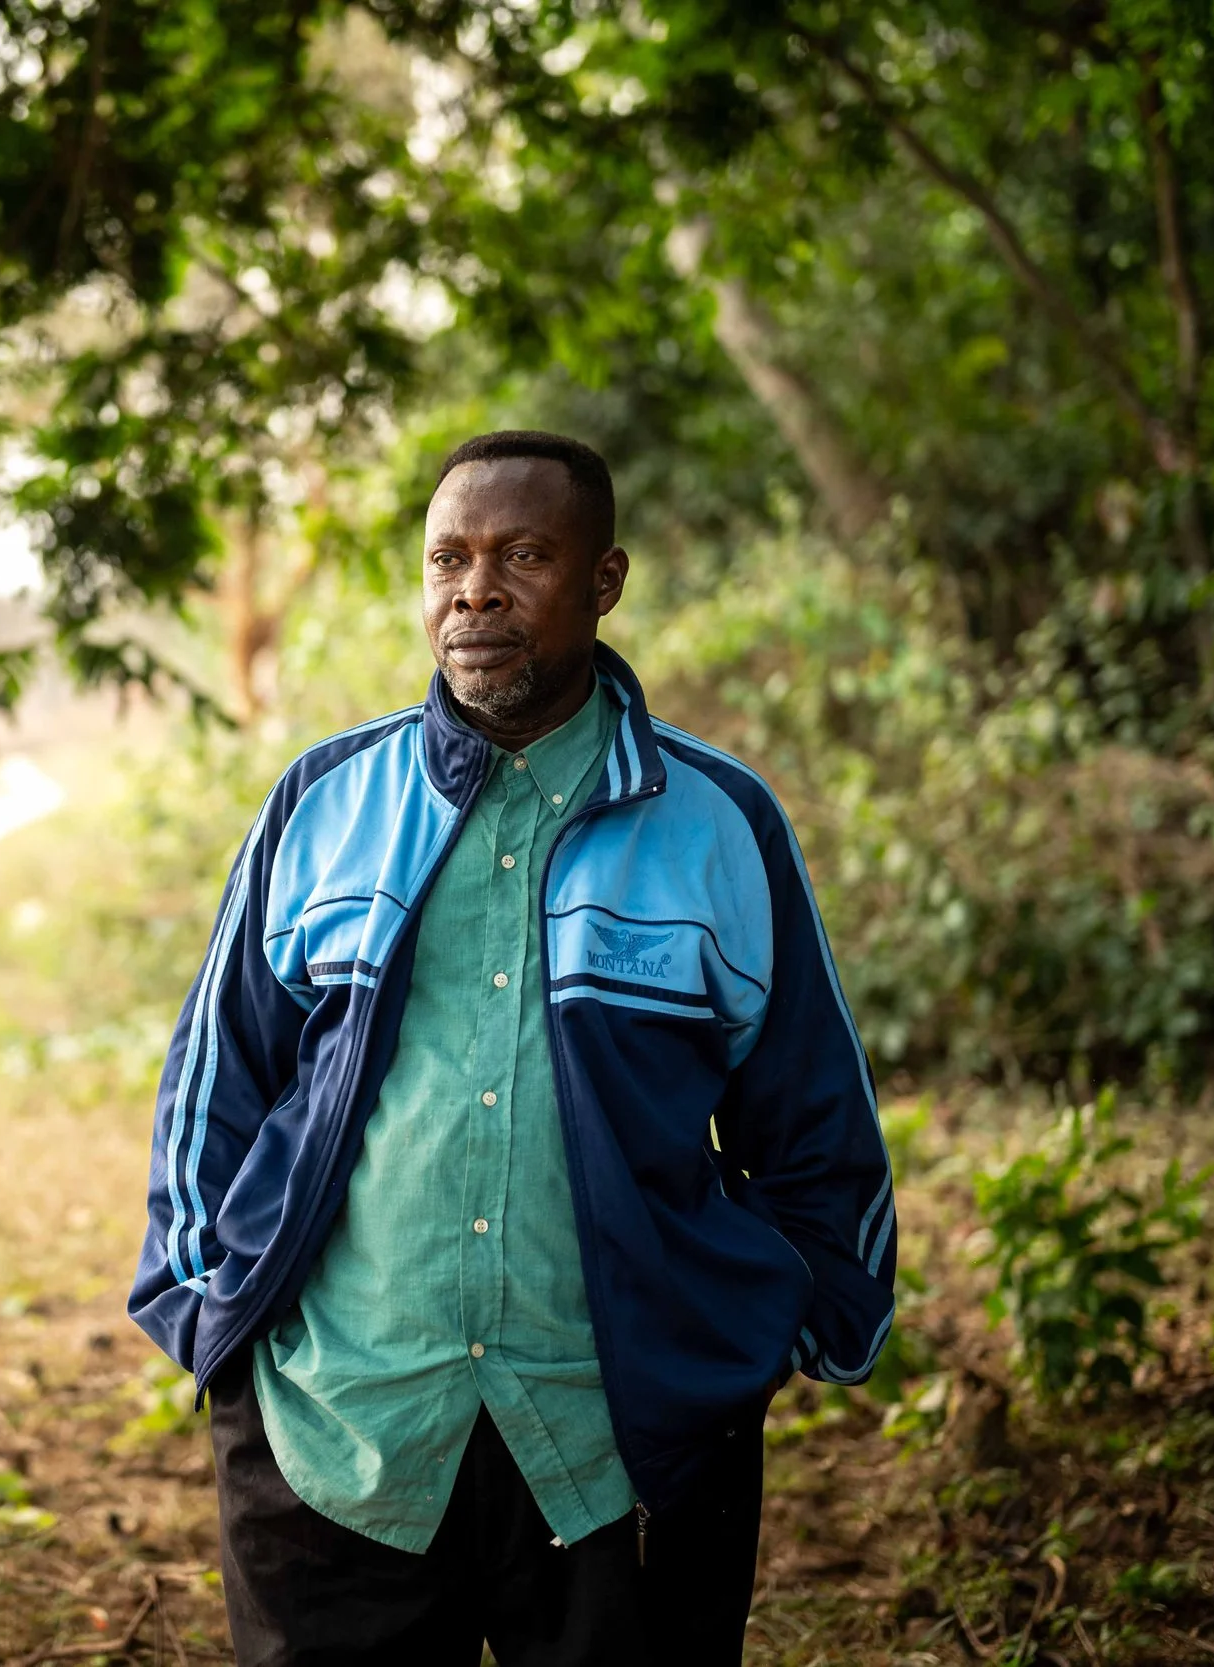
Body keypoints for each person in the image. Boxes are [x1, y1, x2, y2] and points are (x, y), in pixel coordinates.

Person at [129, 431, 896, 1665]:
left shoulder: (718, 822)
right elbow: (217, 1078)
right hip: (340, 1427)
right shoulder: (325, 802)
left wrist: (771, 1340)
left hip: (619, 1451)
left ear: (604, 580)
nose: (473, 590)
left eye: (522, 555)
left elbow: (813, 1116)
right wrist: (208, 1317)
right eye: (448, 558)